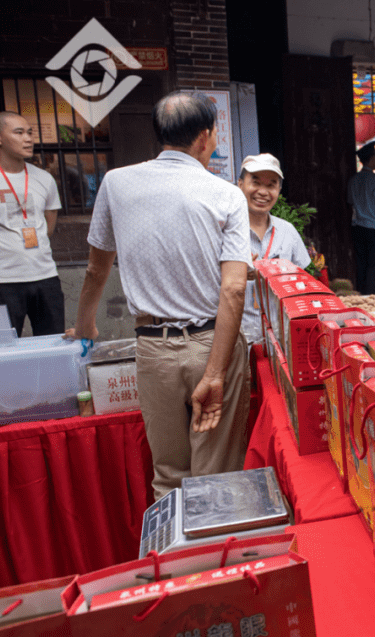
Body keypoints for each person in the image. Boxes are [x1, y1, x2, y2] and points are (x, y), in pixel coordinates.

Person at [67, 92, 251, 499]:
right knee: (215, 476)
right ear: (205, 137)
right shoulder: (225, 193)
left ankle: (176, 561)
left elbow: (97, 268)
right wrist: (217, 375)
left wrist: (84, 325)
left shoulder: (116, 182)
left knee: (168, 476)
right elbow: (234, 288)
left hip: (152, 349)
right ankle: (216, 561)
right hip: (211, 345)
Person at [0, 111, 64, 336]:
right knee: (2, 350)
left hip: (45, 276)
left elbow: (49, 227)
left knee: (53, 344)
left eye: (29, 132)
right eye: (19, 132)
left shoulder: (44, 179)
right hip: (2, 279)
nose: (28, 138)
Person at [236, 154, 311, 345]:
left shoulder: (287, 232)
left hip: (281, 337)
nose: (263, 192)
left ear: (278, 190)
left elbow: (304, 283)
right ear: (240, 184)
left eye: (271, 185)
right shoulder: (226, 232)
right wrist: (236, 274)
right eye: (256, 182)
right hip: (238, 338)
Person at [348, 142, 375, 294]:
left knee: (361, 265)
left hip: (358, 228)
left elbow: (351, 204)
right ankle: (373, 298)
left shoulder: (353, 180)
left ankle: (361, 295)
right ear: (371, 159)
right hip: (374, 230)